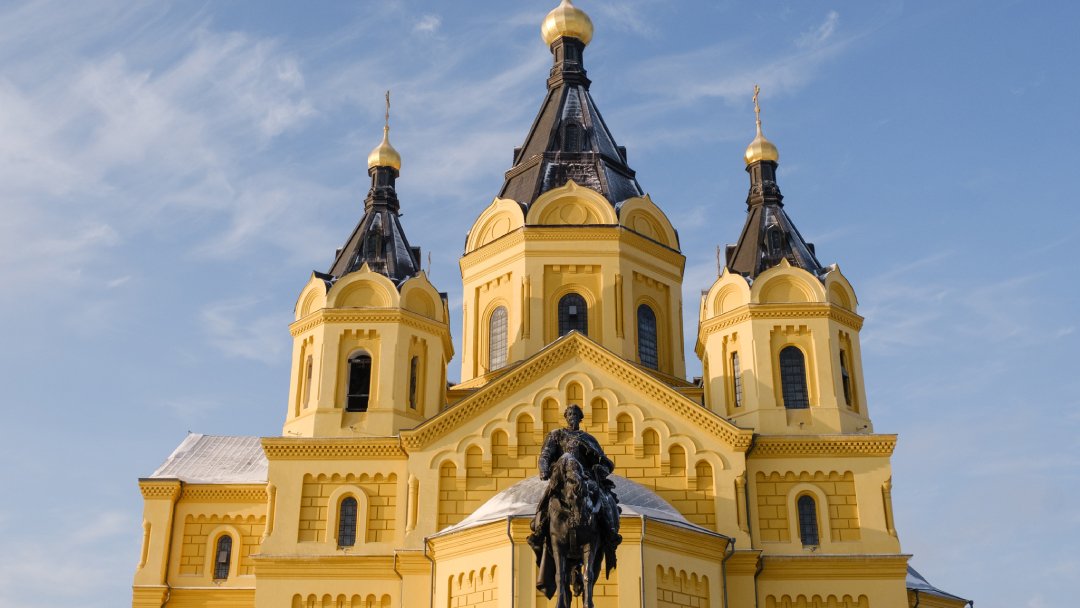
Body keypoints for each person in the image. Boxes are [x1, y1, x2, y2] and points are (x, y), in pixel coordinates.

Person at [528, 404, 621, 597]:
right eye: (570, 414)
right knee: (548, 499)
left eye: (576, 414)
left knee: (602, 497)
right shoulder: (557, 435)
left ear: (580, 418)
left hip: (585, 479)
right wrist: (544, 469)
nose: (572, 417)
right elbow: (545, 455)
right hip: (562, 478)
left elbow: (603, 462)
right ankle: (540, 527)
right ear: (566, 417)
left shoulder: (587, 439)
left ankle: (609, 529)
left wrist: (599, 470)